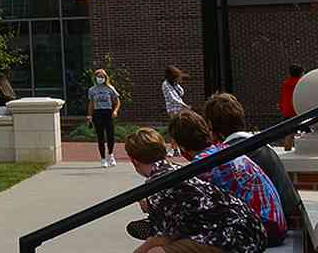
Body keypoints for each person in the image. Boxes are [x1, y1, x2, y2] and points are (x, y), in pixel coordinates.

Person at [124, 127, 267, 253]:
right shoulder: (176, 169)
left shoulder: (157, 186)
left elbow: (163, 239)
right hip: (249, 229)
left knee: (157, 252)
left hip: (236, 238)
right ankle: (155, 222)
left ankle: (154, 222)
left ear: (134, 161)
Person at [167, 110, 288, 246]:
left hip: (262, 230)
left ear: (181, 145)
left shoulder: (203, 166)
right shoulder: (223, 151)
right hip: (275, 224)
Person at [89, 68, 122, 167]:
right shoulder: (92, 90)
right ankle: (103, 158)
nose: (100, 78)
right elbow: (91, 103)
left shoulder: (110, 88)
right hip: (98, 113)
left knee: (110, 135)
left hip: (108, 112)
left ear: (105, 77)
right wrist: (90, 115)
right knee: (100, 137)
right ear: (95, 78)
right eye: (98, 76)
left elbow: (117, 101)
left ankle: (111, 155)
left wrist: (115, 110)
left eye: (102, 76)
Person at [278, 65, 304, 150]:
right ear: (300, 73)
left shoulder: (286, 84)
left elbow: (284, 97)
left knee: (289, 132)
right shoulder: (301, 83)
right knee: (307, 130)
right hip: (298, 110)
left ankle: (287, 149)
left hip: (287, 110)